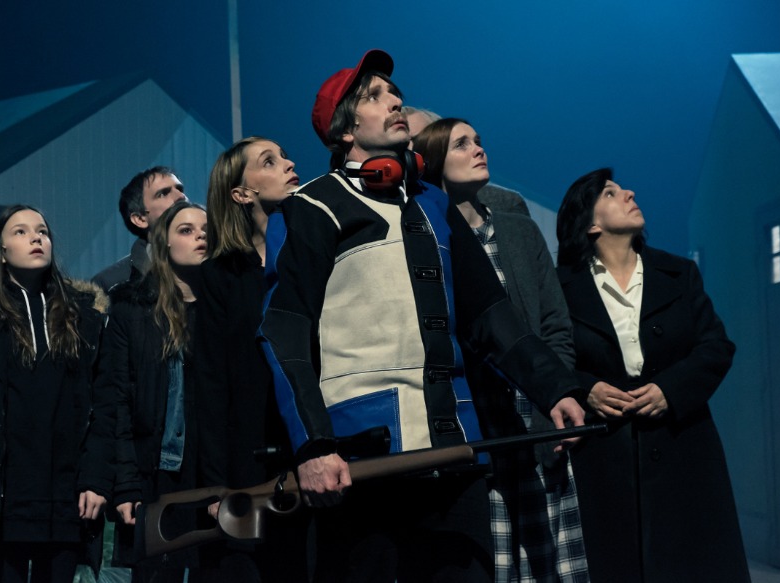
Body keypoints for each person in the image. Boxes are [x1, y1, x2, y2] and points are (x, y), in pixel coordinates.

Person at [259, 49, 585, 583]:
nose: (394, 102)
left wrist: (554, 389)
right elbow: (284, 332)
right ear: (345, 131)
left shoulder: (433, 202)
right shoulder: (310, 207)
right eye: (374, 96)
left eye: (395, 94)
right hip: (362, 460)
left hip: (453, 453)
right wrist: (314, 445)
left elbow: (490, 315)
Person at [413, 117, 589, 583]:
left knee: (550, 564)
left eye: (478, 141)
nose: (478, 149)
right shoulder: (429, 241)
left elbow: (555, 325)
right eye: (461, 144)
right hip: (480, 428)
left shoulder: (518, 230)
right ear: (432, 162)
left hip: (534, 421)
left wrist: (553, 395)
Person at [555, 168, 750, 582]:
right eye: (610, 193)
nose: (629, 193)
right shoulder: (562, 287)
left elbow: (716, 346)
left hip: (684, 447)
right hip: (605, 456)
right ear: (590, 224)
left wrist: (669, 390)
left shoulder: (679, 273)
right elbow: (554, 358)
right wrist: (587, 390)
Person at [0, 204, 112, 583]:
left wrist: (95, 478)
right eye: (21, 231)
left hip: (66, 498)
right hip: (0, 497)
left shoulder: (85, 315)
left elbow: (105, 405)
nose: (36, 238)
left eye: (42, 231)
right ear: (0, 252)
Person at [196, 136, 309, 581]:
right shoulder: (220, 274)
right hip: (251, 459)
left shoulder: (312, 254)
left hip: (315, 449)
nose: (289, 164)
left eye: (285, 156)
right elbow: (212, 382)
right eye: (270, 161)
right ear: (242, 193)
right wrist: (216, 484)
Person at [94, 201, 208, 582]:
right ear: (164, 244)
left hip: (208, 475)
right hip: (153, 474)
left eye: (206, 230)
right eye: (186, 230)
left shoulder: (223, 309)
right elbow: (116, 403)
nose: (200, 236)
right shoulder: (131, 309)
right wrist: (125, 484)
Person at [404, 106, 530, 217]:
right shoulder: (407, 210)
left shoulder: (506, 203)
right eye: (402, 143)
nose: (409, 149)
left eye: (418, 140)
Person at [93, 166, 187, 292]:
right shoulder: (109, 284)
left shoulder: (212, 265)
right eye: (163, 194)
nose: (181, 196)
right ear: (140, 219)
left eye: (180, 189)